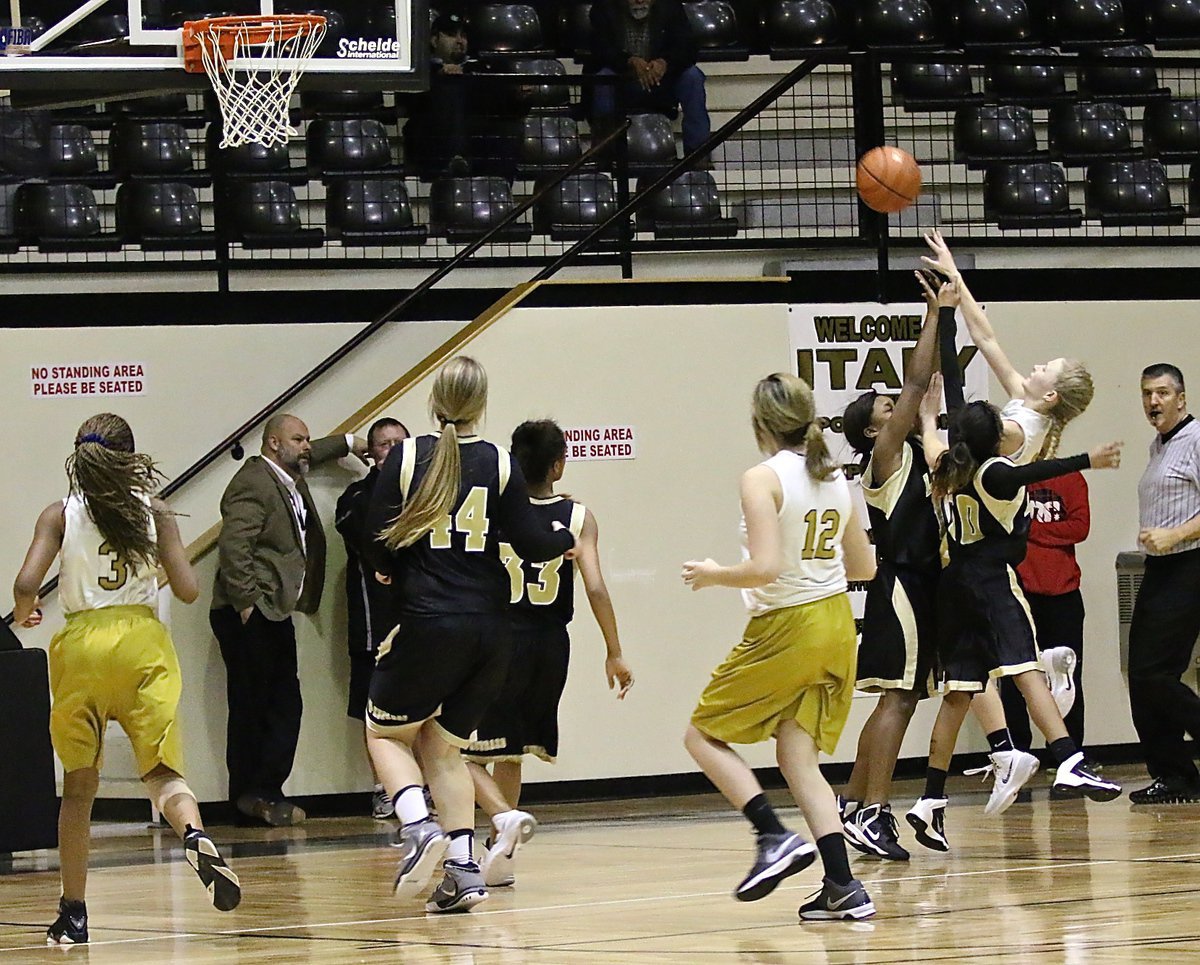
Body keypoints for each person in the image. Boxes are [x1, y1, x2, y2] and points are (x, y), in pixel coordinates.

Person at [12, 413, 240, 945]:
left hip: (83, 647)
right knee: (162, 771)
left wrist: (26, 610)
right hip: (142, 643)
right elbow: (187, 590)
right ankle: (195, 834)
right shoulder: (155, 512)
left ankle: (74, 913)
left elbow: (26, 582)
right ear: (132, 460)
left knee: (78, 789)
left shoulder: (60, 514)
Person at [361, 356, 576, 914]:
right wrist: (562, 537)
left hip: (430, 621)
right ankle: (461, 869)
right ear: (482, 404)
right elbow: (531, 541)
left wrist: (387, 568)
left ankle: (418, 827)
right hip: (491, 629)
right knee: (444, 747)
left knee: (385, 735)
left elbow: (371, 531)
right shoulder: (502, 463)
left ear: (434, 399)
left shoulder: (409, 456)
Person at [906, 232, 1098, 844]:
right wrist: (956, 279)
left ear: (1050, 394)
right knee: (996, 676)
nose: (1034, 365)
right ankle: (1053, 752)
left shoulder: (1012, 438)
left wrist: (936, 412)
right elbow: (986, 337)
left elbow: (964, 435)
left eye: (1047, 369)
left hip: (977, 551)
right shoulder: (1027, 406)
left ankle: (1059, 757)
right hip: (980, 558)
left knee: (991, 679)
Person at [682, 372, 879, 922]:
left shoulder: (761, 477)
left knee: (701, 736)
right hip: (837, 623)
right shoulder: (836, 476)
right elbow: (864, 566)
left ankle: (772, 836)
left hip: (789, 625)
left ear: (760, 424)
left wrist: (715, 574)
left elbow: (765, 567)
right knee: (798, 757)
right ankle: (842, 884)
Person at [920, 388, 1123, 813]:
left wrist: (927, 415)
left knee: (960, 692)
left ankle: (931, 798)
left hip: (953, 587)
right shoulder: (994, 472)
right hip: (989, 580)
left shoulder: (946, 466)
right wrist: (1091, 459)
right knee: (1026, 670)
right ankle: (1069, 757)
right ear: (996, 438)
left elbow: (932, 438)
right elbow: (1043, 469)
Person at [464, 420, 635, 888]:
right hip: (550, 644)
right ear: (559, 465)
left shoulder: (497, 512)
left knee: (454, 751)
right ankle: (503, 854)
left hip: (499, 638)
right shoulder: (579, 517)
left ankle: (499, 822)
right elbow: (596, 587)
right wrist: (614, 651)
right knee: (512, 752)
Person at [836, 271, 950, 862]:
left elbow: (923, 384)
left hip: (917, 584)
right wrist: (932, 313)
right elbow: (915, 382)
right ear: (875, 426)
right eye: (885, 405)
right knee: (898, 702)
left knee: (897, 700)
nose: (894, 401)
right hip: (903, 582)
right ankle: (875, 812)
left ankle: (854, 803)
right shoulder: (885, 454)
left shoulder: (911, 452)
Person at [210, 414, 366, 826]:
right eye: (299, 439)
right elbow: (234, 546)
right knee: (255, 705)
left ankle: (263, 792)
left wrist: (350, 442)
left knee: (281, 704)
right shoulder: (253, 482)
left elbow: (317, 451)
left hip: (272, 612)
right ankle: (249, 795)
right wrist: (248, 604)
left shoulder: (285, 473)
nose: (307, 446)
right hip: (251, 613)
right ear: (274, 443)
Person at [1127, 363, 1200, 804]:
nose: (1153, 402)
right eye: (1146, 394)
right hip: (1159, 569)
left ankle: (1177, 770)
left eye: (1161, 393)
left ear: (1181, 398)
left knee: (1156, 673)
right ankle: (1175, 775)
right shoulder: (1160, 445)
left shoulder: (1195, 440)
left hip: (1189, 565)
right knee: (1143, 675)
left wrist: (1175, 534)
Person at [335, 416, 409, 820]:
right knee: (373, 701)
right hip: (373, 616)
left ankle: (421, 786)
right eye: (384, 444)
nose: (393, 450)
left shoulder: (427, 494)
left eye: (401, 443)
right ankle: (383, 787)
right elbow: (369, 538)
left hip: (420, 613)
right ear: (372, 452)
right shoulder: (357, 498)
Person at [1000, 469, 1090, 755]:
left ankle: (1069, 754)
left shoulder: (1071, 478)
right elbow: (1002, 526)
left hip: (1063, 594)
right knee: (1014, 677)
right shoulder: (1009, 478)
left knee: (1066, 676)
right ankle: (1017, 757)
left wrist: (1031, 529)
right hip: (1019, 592)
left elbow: (1079, 527)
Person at [589, 0, 712, 157]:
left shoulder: (671, 7)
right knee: (603, 78)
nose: (639, 1)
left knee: (692, 77)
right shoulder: (604, 8)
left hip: (662, 81)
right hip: (622, 79)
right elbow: (600, 49)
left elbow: (687, 47)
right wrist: (629, 61)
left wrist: (664, 63)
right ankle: (603, 153)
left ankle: (697, 153)